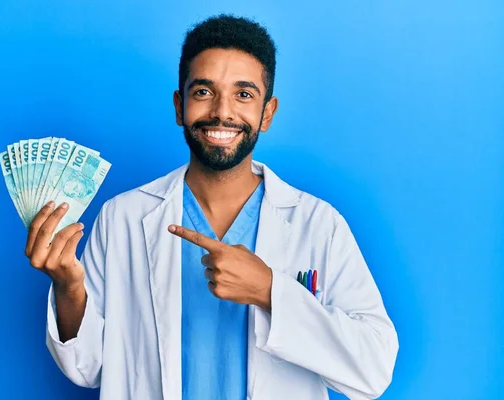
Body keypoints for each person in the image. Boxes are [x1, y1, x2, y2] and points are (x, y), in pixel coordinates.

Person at [24, 14, 398, 400]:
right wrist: (68, 286)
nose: (222, 112)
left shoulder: (318, 224)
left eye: (244, 94)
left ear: (267, 113)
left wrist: (271, 291)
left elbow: (374, 370)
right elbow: (87, 368)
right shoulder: (123, 218)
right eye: (203, 92)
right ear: (178, 105)